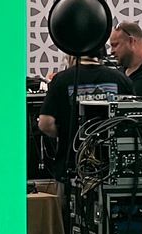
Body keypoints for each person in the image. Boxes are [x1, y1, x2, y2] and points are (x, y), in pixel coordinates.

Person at [37, 54, 131, 183]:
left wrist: (67, 133)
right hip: (113, 168)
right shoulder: (121, 79)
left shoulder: (61, 79)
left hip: (71, 166)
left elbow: (44, 124)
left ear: (71, 55)